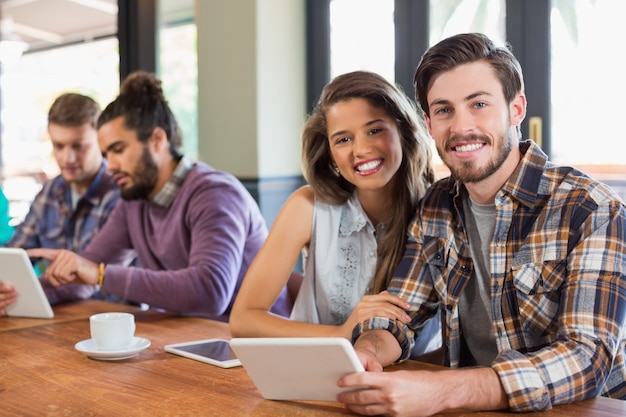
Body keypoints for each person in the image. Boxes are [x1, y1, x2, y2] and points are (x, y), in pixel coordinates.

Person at [336, 33, 626, 415]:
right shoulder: (435, 206)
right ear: (428, 123)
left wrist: (443, 390)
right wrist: (369, 350)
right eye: (444, 110)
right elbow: (398, 316)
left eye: (479, 104)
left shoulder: (592, 209)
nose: (461, 126)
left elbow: (586, 358)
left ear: (516, 108)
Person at [26, 71, 289, 322]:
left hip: (250, 347)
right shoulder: (135, 202)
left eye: (119, 149)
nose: (112, 164)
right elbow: (84, 272)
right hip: (190, 339)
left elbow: (210, 291)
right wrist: (17, 295)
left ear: (157, 140)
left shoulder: (215, 194)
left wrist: (100, 274)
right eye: (106, 155)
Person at [230, 70, 441, 356]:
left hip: (409, 384)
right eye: (343, 139)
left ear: (403, 131)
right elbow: (243, 320)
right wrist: (340, 333)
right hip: (310, 376)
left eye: (375, 130)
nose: (362, 149)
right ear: (329, 152)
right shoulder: (306, 207)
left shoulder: (442, 209)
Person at [0, 93, 121, 314]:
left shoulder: (120, 194)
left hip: (115, 324)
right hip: (57, 319)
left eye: (78, 146)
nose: (67, 158)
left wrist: (21, 293)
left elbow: (87, 280)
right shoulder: (49, 192)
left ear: (101, 141)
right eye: (59, 146)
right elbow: (16, 254)